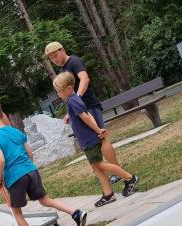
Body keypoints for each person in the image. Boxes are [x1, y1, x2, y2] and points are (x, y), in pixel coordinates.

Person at [0, 99, 87, 226]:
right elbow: (30, 153)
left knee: (16, 212)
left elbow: (1, 160)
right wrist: (28, 167)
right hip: (31, 170)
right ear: (1, 114)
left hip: (15, 177)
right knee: (45, 200)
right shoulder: (15, 131)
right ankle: (75, 212)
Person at [53, 72, 139, 207]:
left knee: (99, 165)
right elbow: (88, 115)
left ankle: (129, 178)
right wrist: (98, 129)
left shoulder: (73, 101)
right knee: (96, 167)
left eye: (59, 91)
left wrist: (98, 130)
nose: (58, 94)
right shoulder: (75, 99)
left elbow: (86, 118)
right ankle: (108, 194)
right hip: (87, 140)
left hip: (89, 140)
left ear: (69, 88)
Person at [45, 41, 122, 184]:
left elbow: (84, 79)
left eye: (55, 55)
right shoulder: (63, 70)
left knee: (101, 138)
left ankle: (118, 171)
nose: (54, 59)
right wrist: (70, 111)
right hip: (80, 110)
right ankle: (105, 174)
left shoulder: (74, 61)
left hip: (89, 106)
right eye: (51, 58)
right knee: (95, 142)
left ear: (63, 50)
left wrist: (77, 99)